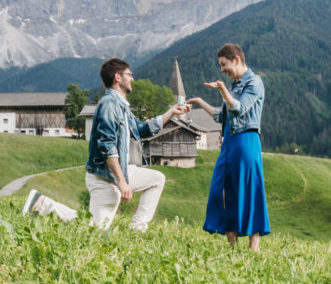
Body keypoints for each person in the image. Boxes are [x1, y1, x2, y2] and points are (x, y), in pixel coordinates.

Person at [84, 57, 189, 230]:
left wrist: (171, 113)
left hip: (121, 172)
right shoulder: (109, 104)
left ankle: (137, 228)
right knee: (96, 230)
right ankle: (44, 205)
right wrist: (122, 181)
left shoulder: (122, 107)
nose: (132, 78)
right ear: (118, 77)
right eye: (129, 74)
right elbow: (107, 147)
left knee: (156, 179)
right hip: (105, 178)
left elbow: (142, 129)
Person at [188, 43, 270, 252]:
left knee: (249, 190)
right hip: (229, 142)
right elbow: (221, 115)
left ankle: (254, 245)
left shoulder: (254, 82)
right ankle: (232, 244)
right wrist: (199, 102)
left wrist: (223, 90)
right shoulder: (234, 85)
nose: (222, 69)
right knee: (221, 191)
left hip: (245, 141)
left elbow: (239, 109)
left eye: (224, 64)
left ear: (236, 59)